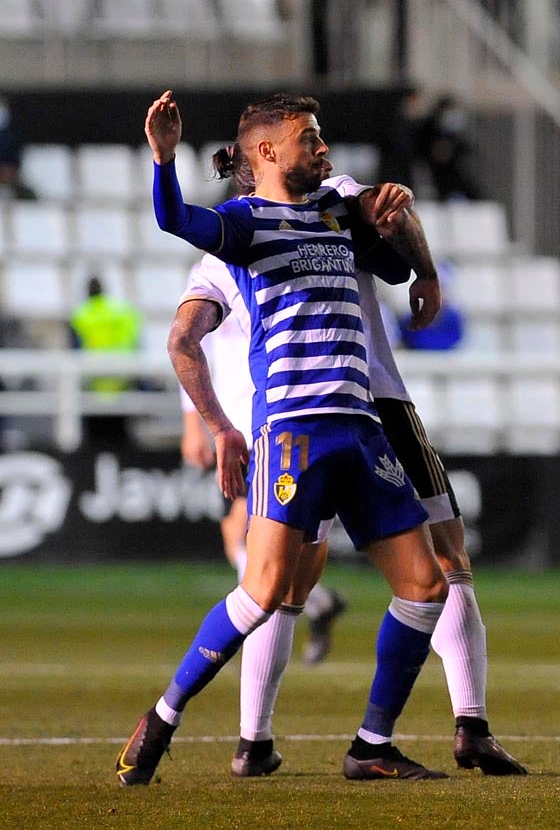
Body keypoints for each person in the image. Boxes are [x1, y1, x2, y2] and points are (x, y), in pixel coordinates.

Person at [117, 90, 449, 786]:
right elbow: (174, 218)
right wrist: (163, 158)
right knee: (264, 589)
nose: (324, 150)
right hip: (294, 431)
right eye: (310, 139)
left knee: (424, 587)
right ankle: (163, 716)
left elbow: (390, 265)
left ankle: (371, 745)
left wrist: (395, 227)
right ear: (267, 152)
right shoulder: (240, 224)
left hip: (360, 427)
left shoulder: (334, 212)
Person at [174, 166, 523, 776]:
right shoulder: (288, 213)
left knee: (295, 582)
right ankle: (454, 727)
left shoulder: (326, 198)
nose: (316, 150)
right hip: (349, 405)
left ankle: (260, 741)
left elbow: (394, 211)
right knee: (308, 578)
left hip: (321, 412)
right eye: (305, 139)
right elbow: (190, 334)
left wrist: (424, 269)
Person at [178, 257, 349, 667]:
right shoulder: (214, 276)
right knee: (236, 540)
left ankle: (259, 642)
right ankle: (316, 605)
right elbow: (190, 349)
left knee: (250, 539)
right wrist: (194, 423)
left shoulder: (278, 268)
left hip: (267, 422)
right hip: (230, 426)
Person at [69, 274, 143, 446]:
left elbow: (75, 349)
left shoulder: (81, 314)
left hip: (94, 387)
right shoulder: (125, 312)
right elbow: (136, 344)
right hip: (123, 384)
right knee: (121, 440)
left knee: (94, 443)